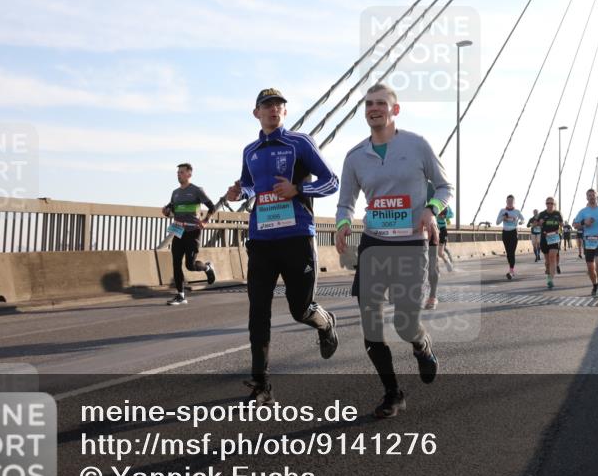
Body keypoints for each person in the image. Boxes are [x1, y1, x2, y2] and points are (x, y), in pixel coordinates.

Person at [335, 83, 450, 419]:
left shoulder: (417, 145)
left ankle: (420, 343)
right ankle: (392, 393)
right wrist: (343, 224)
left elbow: (445, 187)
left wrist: (431, 209)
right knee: (371, 324)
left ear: (394, 110)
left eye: (381, 103)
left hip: (410, 244)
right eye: (369, 104)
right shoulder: (355, 156)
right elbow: (345, 202)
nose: (374, 108)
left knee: (404, 323)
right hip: (374, 244)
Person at [226, 88, 341, 406]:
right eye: (267, 105)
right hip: (261, 239)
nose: (273, 109)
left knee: (299, 308)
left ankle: (325, 322)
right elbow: (250, 185)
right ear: (257, 113)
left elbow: (331, 181)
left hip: (296, 237)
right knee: (257, 311)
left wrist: (298, 189)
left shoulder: (300, 143)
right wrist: (239, 192)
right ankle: (262, 385)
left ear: (285, 112)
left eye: (279, 105)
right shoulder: (250, 151)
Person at [162, 163, 217, 305]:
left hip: (193, 232)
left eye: (181, 172)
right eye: (178, 173)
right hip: (178, 231)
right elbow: (171, 208)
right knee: (176, 263)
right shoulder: (175, 192)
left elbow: (212, 207)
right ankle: (180, 295)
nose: (178, 175)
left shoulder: (197, 190)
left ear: (189, 174)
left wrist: (205, 221)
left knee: (190, 265)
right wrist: (166, 211)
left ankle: (207, 267)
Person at [572, 188, 598, 296]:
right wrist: (584, 222)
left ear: (596, 197)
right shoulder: (583, 211)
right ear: (587, 198)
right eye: (589, 195)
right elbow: (574, 225)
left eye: (593, 195)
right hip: (588, 240)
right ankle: (594, 285)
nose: (591, 197)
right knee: (590, 268)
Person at [425, 183, 454, 310]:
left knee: (436, 257)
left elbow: (450, 212)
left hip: (436, 229)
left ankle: (432, 295)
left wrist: (443, 213)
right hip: (413, 226)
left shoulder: (431, 187)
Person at [535, 197, 563, 290]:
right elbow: (535, 224)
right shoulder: (542, 214)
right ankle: (548, 272)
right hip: (545, 238)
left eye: (551, 203)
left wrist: (560, 229)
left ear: (554, 204)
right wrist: (539, 223)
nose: (550, 205)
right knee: (547, 261)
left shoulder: (557, 214)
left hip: (554, 238)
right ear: (546, 204)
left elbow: (561, 225)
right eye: (548, 203)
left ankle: (550, 279)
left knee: (552, 258)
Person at [496, 195, 525, 279]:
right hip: (505, 233)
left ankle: (511, 271)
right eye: (508, 201)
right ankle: (511, 269)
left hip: (513, 232)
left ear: (514, 202)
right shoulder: (502, 211)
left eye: (511, 201)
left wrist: (521, 222)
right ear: (506, 202)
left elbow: (523, 219)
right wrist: (503, 217)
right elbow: (497, 222)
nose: (510, 202)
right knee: (508, 253)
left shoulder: (517, 211)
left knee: (512, 252)